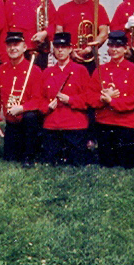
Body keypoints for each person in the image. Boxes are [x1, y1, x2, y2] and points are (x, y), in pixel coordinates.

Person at [0, 32, 44, 166]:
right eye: (9, 45)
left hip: (28, 121)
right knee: (10, 158)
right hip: (12, 122)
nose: (13, 48)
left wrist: (22, 108)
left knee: (30, 116)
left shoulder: (35, 70)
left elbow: (38, 99)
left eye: (17, 45)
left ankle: (29, 156)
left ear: (25, 47)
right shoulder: (0, 71)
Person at [91, 30, 134, 168]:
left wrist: (112, 101)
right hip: (104, 119)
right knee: (107, 163)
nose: (114, 50)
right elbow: (90, 96)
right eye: (111, 46)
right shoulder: (100, 70)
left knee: (127, 163)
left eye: (118, 46)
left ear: (125, 48)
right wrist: (102, 99)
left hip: (125, 121)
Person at [40, 32, 94, 166]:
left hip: (75, 123)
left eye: (63, 47)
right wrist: (46, 106)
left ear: (70, 49)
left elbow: (88, 98)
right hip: (52, 124)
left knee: (76, 162)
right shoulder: (47, 72)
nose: (60, 50)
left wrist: (70, 100)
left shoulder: (81, 70)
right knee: (52, 162)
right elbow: (39, 98)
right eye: (57, 47)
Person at [4, 0, 56, 69]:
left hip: (38, 51)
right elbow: (5, 29)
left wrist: (45, 33)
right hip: (16, 52)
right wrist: (4, 56)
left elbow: (54, 22)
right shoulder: (11, 0)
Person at [56, 0, 109, 72]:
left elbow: (104, 33)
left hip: (90, 59)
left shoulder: (98, 8)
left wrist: (90, 48)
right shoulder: (63, 9)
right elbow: (59, 33)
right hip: (69, 58)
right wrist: (70, 51)